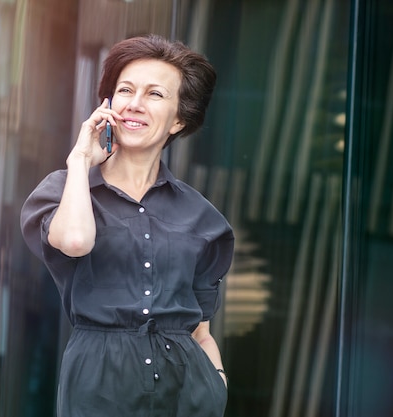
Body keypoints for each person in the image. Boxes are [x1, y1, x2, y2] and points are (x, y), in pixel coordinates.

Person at [20, 34, 234, 417]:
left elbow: (200, 330)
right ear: (107, 104)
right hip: (98, 386)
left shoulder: (201, 217)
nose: (134, 104)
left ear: (179, 119)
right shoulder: (66, 189)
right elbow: (74, 239)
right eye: (125, 90)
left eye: (155, 94)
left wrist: (217, 382)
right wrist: (80, 160)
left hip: (186, 395)